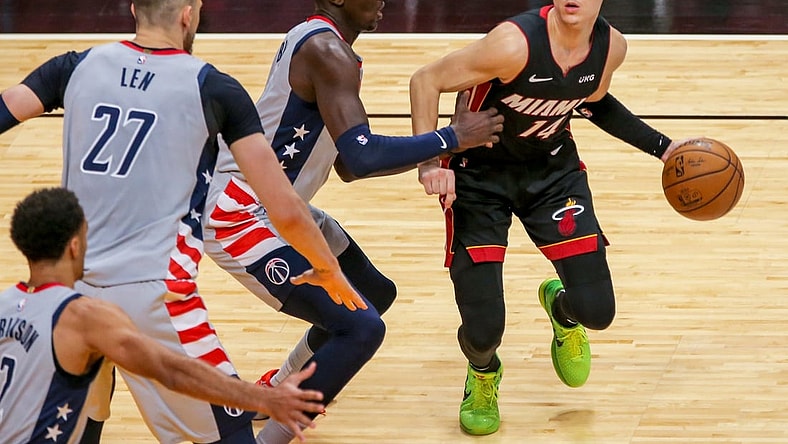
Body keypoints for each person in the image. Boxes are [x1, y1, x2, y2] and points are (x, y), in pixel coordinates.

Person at [0, 0, 367, 442]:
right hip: (153, 293)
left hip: (70, 292)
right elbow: (284, 208)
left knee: (79, 424)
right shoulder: (214, 89)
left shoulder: (75, 67)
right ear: (188, 15)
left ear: (135, 9)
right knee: (232, 433)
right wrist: (327, 268)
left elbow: (8, 108)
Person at [202, 0, 503, 442]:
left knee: (374, 295)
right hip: (240, 212)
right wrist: (451, 137)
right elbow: (361, 158)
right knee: (361, 328)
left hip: (285, 206)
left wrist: (437, 151)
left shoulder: (328, 45)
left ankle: (283, 384)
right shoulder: (328, 51)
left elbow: (345, 162)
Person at [409, 0, 693, 436]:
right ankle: (483, 375)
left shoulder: (610, 47)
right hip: (478, 178)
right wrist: (429, 164)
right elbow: (426, 79)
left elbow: (592, 102)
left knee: (597, 312)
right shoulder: (512, 44)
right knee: (484, 330)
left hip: (553, 175)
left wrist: (664, 147)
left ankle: (561, 309)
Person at [0, 187, 326, 444]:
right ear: (75, 245)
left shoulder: (4, 304)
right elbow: (172, 371)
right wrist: (266, 399)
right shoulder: (83, 316)